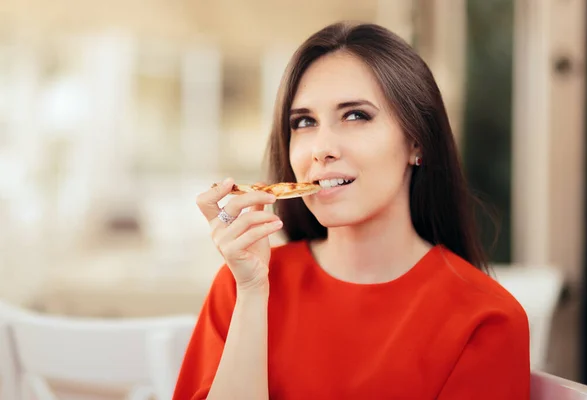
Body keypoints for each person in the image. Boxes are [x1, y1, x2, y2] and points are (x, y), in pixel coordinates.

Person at [173, 22, 530, 400]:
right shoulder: (242, 284)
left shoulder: (486, 319)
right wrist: (252, 294)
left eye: (356, 115)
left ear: (417, 141)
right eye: (305, 122)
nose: (321, 148)